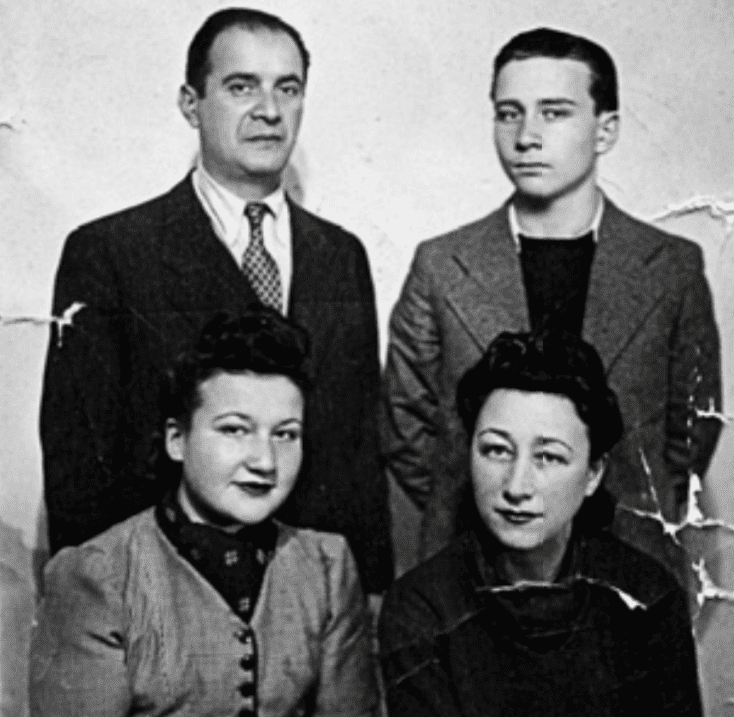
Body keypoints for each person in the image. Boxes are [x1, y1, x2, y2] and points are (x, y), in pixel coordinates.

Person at [40, 7, 392, 594]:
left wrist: (369, 596)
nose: (269, 110)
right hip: (163, 601)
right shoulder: (111, 253)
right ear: (191, 103)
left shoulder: (341, 256)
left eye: (288, 88)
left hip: (310, 602)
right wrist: (101, 608)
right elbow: (78, 464)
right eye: (241, 86)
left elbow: (357, 459)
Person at [380, 27, 721, 576]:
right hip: (476, 571)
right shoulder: (441, 265)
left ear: (605, 129)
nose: (526, 137)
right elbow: (407, 426)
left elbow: (691, 430)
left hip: (625, 565)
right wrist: (475, 504)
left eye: (554, 113)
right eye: (509, 113)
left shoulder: (672, 267)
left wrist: (630, 505)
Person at [31, 310, 379, 717]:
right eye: (234, 429)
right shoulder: (98, 576)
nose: (265, 461)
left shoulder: (326, 566)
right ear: (177, 440)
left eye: (285, 434)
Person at [379, 331, 702, 716]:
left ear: (593, 474)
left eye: (548, 457)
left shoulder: (649, 598)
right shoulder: (420, 609)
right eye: (496, 450)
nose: (516, 487)